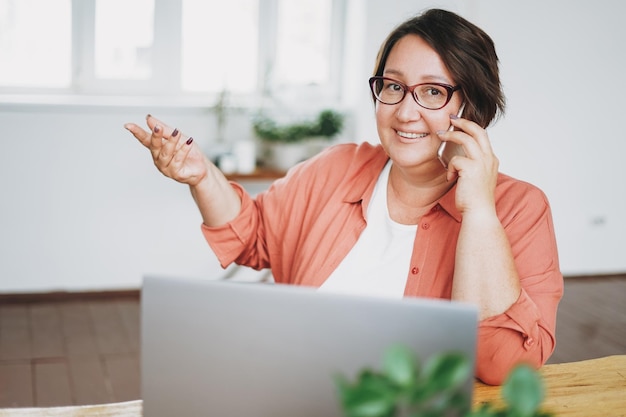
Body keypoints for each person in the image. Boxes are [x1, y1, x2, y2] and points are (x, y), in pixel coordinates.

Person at [124, 8, 563, 385]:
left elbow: (504, 365)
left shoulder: (520, 208)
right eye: (393, 86)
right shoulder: (336, 167)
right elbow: (253, 235)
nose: (405, 112)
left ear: (471, 107)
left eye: (433, 92)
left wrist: (480, 213)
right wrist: (202, 177)